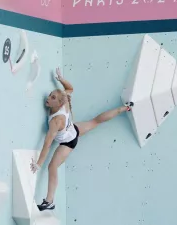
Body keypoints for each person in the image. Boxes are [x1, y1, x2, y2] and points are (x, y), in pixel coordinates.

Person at [30, 67, 132, 211]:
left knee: (52, 166)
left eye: (53, 98)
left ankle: (49, 201)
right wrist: (60, 79)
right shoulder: (64, 99)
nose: (48, 98)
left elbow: (47, 144)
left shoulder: (56, 121)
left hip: (68, 142)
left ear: (59, 103)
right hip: (74, 129)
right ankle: (124, 108)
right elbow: (70, 88)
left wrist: (39, 164)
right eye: (50, 95)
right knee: (95, 121)